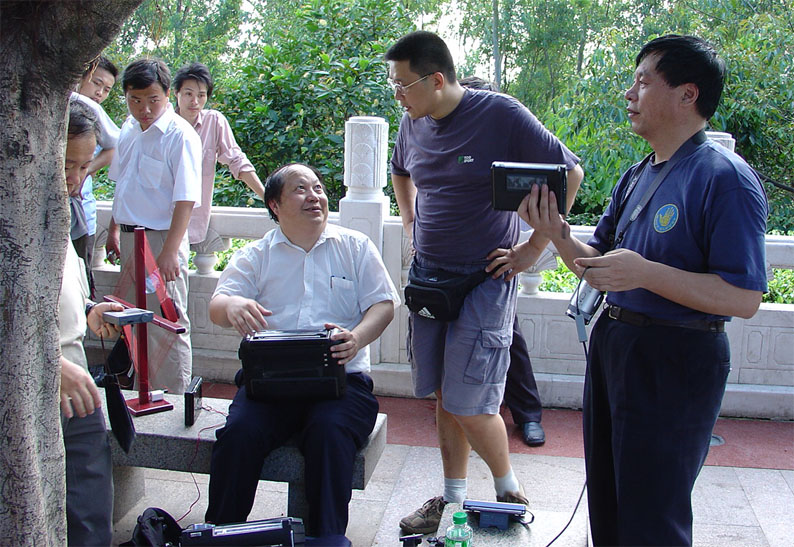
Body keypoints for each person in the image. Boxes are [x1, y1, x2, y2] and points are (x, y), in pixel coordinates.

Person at [520, 35, 767, 545]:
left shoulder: (724, 178)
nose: (629, 94)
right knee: (609, 497)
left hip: (676, 355)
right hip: (617, 343)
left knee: (653, 510)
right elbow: (596, 267)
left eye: (643, 81)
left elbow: (743, 298)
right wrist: (556, 232)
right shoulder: (637, 175)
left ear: (687, 94)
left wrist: (646, 274)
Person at [386, 31, 584, 535]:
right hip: (429, 278)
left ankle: (508, 490)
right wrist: (409, 221)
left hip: (485, 277)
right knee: (442, 393)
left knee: (468, 399)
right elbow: (401, 171)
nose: (397, 95)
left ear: (436, 79)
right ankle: (452, 500)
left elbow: (570, 174)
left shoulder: (499, 114)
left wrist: (533, 248)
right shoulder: (413, 122)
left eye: (402, 85)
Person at [204, 163, 400, 546]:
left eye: (318, 188)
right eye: (300, 189)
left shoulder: (355, 246)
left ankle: (327, 538)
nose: (314, 196)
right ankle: (221, 535)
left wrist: (356, 338)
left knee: (329, 432)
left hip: (341, 384)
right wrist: (233, 306)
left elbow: (383, 304)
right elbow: (218, 305)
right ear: (275, 205)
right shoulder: (257, 255)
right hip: (270, 384)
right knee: (239, 434)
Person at [458, 75, 557, 447]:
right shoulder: (447, 141)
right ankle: (458, 411)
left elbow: (550, 193)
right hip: (447, 261)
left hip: (495, 259)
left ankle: (528, 414)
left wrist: (530, 247)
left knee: (508, 336)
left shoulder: (511, 148)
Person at [106, 58, 202, 395]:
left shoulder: (179, 135)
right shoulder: (128, 129)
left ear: (166, 95)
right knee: (133, 319)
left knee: (167, 320)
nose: (144, 109)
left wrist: (170, 251)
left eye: (152, 100)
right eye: (135, 100)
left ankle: (174, 399)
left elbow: (186, 198)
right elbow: (122, 185)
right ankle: (142, 392)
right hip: (131, 238)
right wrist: (114, 230)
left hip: (161, 240)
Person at [60, 98, 125, 545]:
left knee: (89, 505)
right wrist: (49, 364)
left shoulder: (62, 212)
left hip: (77, 378)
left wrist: (89, 311)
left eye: (84, 167)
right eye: (67, 165)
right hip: (33, 381)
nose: (76, 178)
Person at [172, 62, 265, 246]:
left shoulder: (213, 121)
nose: (195, 101)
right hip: (159, 221)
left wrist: (266, 197)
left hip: (193, 222)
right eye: (188, 94)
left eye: (201, 95)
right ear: (176, 93)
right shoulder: (164, 125)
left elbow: (237, 161)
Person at [71, 55, 121, 293]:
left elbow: (116, 146)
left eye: (107, 89)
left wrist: (84, 171)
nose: (100, 93)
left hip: (82, 211)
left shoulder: (92, 111)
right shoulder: (74, 100)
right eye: (96, 83)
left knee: (79, 283)